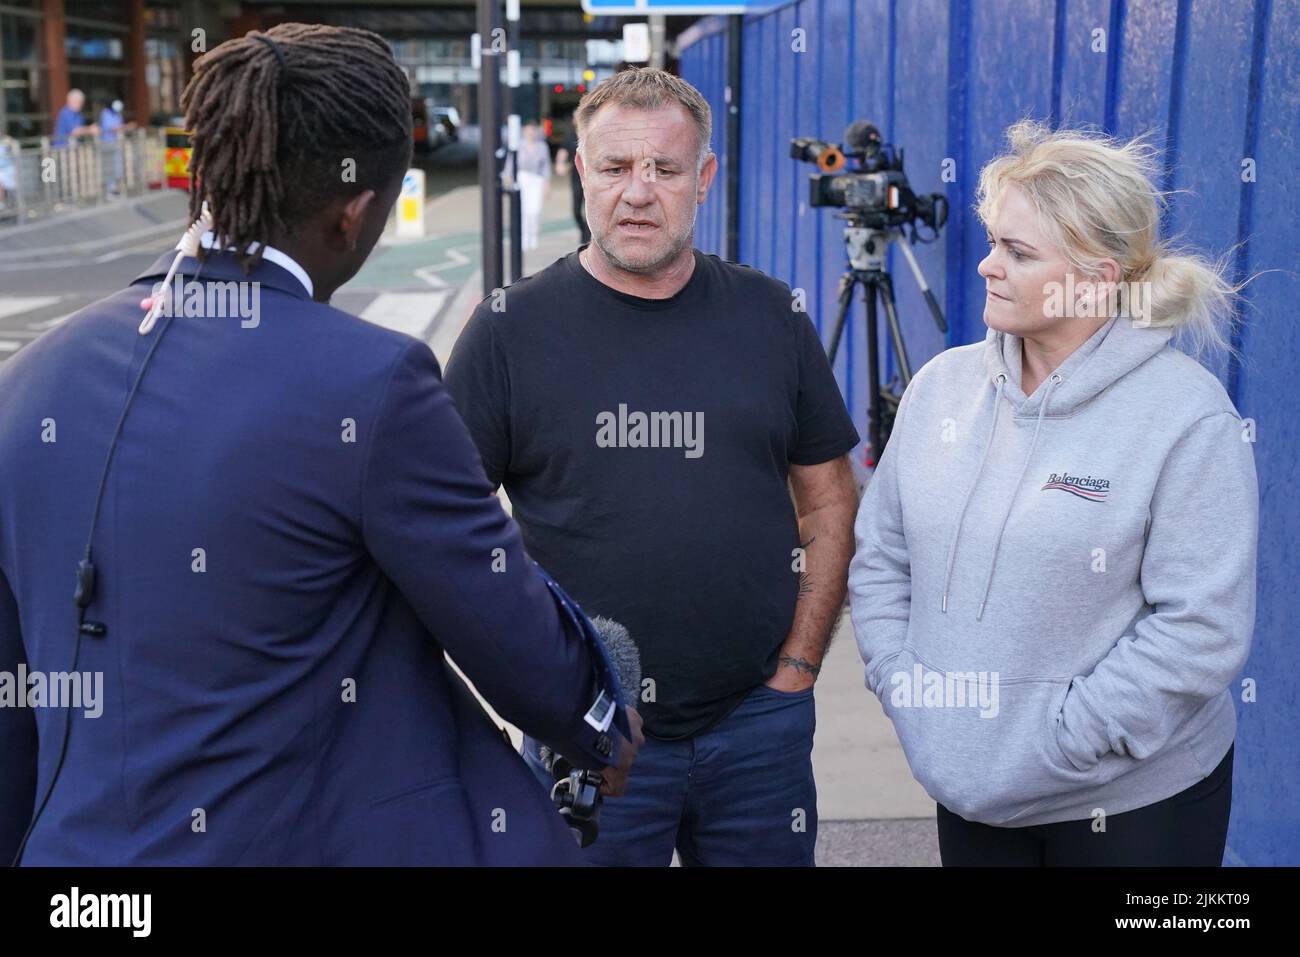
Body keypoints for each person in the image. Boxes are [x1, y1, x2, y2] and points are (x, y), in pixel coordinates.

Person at [0, 23, 640, 867]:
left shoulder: (28, 379)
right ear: (356, 212)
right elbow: (510, 633)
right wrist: (604, 716)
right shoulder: (374, 383)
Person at [445, 67, 860, 867]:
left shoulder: (773, 317)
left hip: (757, 729)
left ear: (702, 178)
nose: (638, 192)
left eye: (664, 169)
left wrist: (799, 667)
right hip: (588, 732)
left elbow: (830, 502)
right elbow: (446, 534)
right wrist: (540, 689)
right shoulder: (507, 332)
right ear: (580, 172)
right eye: (614, 168)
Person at [849, 120, 1257, 866]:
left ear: (1097, 278)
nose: (986, 266)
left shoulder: (1186, 418)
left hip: (1131, 805)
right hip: (970, 793)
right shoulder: (940, 389)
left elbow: (1201, 628)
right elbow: (882, 556)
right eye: (993, 240)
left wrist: (1059, 739)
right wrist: (906, 688)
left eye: (1018, 251)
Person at [507, 122, 551, 252]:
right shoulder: (519, 145)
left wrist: (547, 185)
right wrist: (509, 178)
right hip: (522, 178)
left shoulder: (542, 147)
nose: (531, 132)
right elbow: (511, 163)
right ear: (524, 131)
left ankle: (534, 235)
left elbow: (546, 167)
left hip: (536, 179)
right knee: (523, 210)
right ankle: (524, 237)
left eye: (533, 130)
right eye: (528, 130)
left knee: (535, 210)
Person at [554, 123, 590, 245]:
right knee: (575, 211)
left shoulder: (591, 134)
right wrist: (560, 164)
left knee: (590, 210)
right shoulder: (570, 137)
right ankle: (584, 232)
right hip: (576, 179)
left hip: (591, 180)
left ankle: (587, 236)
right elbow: (562, 152)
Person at [98, 99, 128, 195]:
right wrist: (125, 127)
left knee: (117, 166)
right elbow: (110, 127)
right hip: (107, 143)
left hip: (116, 143)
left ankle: (115, 188)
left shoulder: (117, 114)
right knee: (109, 166)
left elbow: (119, 126)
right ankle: (109, 189)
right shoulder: (105, 113)